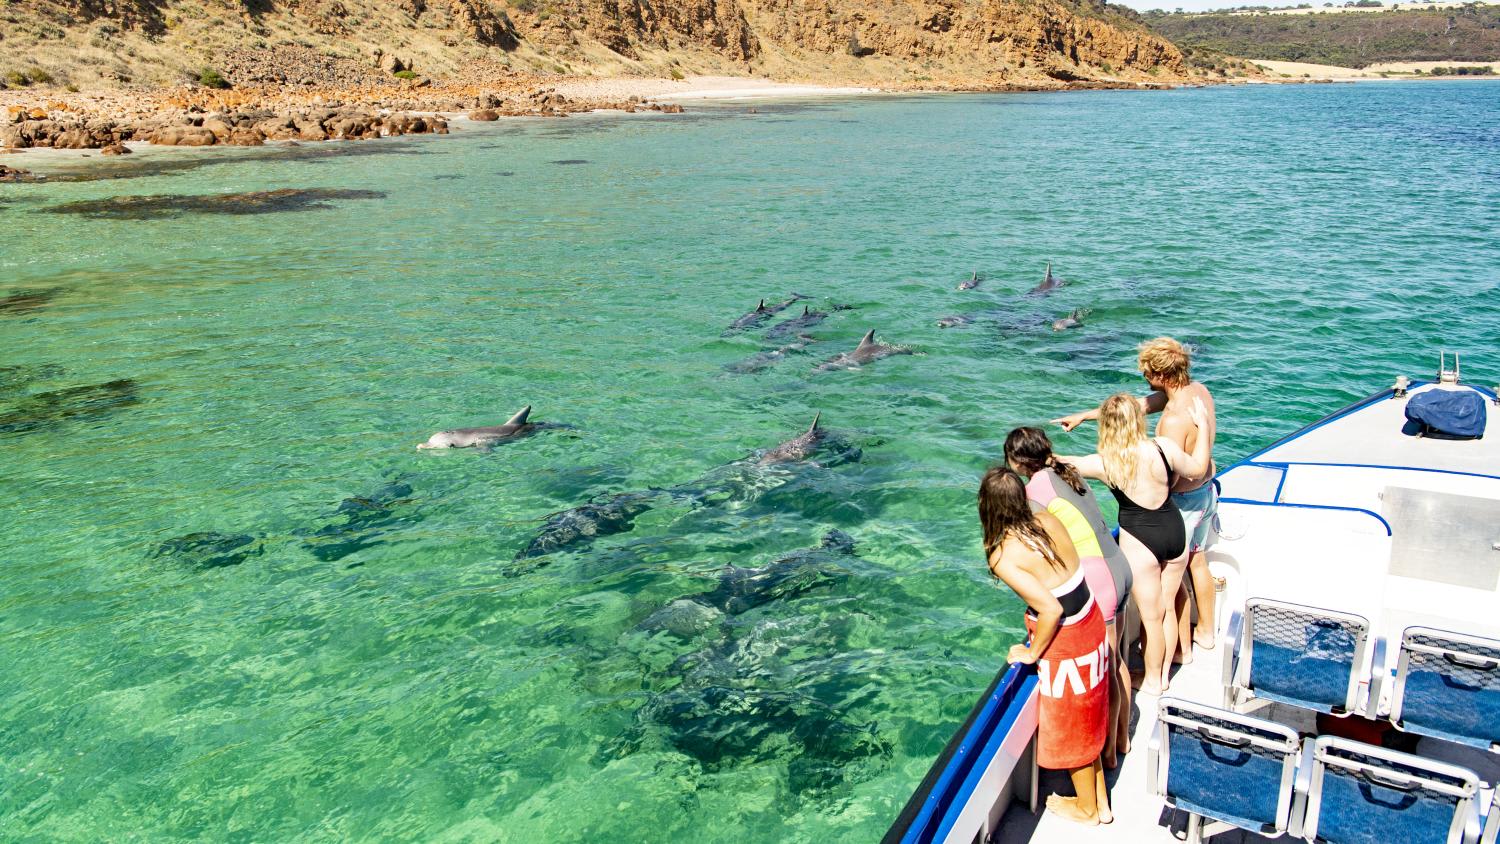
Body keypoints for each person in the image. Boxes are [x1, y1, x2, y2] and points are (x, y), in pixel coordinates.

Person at [1052, 338, 1220, 661]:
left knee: (1168, 594)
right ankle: (1205, 631)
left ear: (1161, 374)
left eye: (1147, 373)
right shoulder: (1196, 391)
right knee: (1197, 563)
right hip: (1206, 492)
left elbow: (1167, 478)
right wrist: (1085, 416)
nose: (1144, 377)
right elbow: (1136, 407)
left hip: (1183, 503)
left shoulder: (1172, 420)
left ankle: (1176, 654)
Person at [979, 466, 1110, 825]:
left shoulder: (1003, 555)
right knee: (1090, 714)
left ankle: (1088, 809)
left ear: (986, 506)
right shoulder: (1047, 518)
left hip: (1068, 640)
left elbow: (1050, 609)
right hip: (1091, 619)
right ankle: (1100, 801)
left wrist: (1032, 652)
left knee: (1073, 725)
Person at [1058, 394, 1211, 695]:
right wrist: (1203, 427)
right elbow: (1198, 468)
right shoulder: (1163, 447)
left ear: (1107, 425)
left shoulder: (1105, 463)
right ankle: (1163, 675)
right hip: (1174, 530)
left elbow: (1065, 463)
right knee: (1168, 609)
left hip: (1140, 541)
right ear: (1137, 419)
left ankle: (1153, 680)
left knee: (1152, 618)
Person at [1005, 426, 1133, 768]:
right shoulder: (1067, 471)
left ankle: (1108, 753)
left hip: (1099, 580)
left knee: (1105, 673)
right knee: (1116, 662)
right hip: (1118, 564)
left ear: (1017, 462)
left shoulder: (1034, 492)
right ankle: (1121, 739)